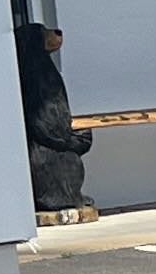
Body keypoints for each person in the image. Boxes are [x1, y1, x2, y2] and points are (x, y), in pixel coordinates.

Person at [15, 21, 96, 222]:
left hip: (57, 142)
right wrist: (69, 141)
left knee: (69, 161)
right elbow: (41, 122)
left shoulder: (44, 71)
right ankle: (57, 199)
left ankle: (71, 195)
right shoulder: (33, 79)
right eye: (43, 34)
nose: (55, 34)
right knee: (57, 162)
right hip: (46, 150)